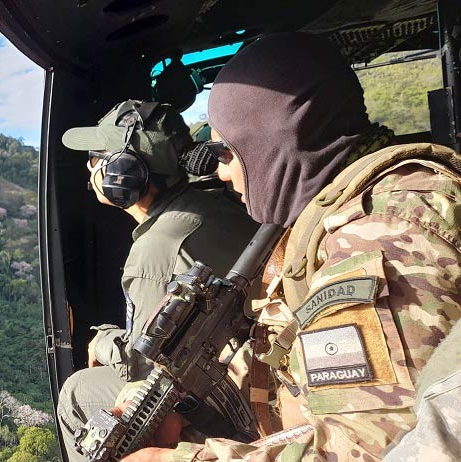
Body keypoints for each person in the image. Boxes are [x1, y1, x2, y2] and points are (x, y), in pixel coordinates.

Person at [118, 32, 461, 462]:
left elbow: (373, 450)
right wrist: (181, 405)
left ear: (277, 141)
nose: (223, 174)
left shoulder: (380, 235)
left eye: (226, 152)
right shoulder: (327, 215)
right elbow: (291, 352)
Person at [55, 100, 260, 461]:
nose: (90, 168)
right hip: (251, 358)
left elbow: (146, 373)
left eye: (96, 158)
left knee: (76, 390)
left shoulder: (156, 253)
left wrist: (102, 341)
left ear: (123, 174)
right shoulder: (217, 203)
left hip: (232, 401)